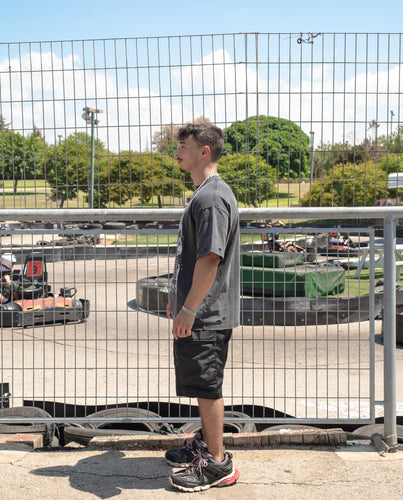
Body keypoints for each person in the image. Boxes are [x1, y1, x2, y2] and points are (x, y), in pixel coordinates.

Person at [165, 122, 240, 492]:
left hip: (207, 314)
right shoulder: (204, 194)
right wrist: (176, 299)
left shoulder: (211, 197)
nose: (176, 151)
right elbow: (193, 257)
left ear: (204, 151)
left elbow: (210, 258)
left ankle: (217, 463)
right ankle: (207, 446)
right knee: (201, 383)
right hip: (202, 310)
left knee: (208, 386)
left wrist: (189, 309)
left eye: (183, 145)